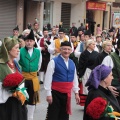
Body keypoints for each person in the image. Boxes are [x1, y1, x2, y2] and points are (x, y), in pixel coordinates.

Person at [44, 41, 80, 120]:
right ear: (60, 50)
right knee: (53, 115)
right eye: (64, 49)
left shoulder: (72, 63)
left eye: (68, 49)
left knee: (64, 116)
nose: (66, 51)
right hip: (55, 93)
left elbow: (74, 78)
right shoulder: (53, 61)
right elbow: (48, 78)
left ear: (71, 51)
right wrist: (48, 94)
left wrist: (76, 93)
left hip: (67, 93)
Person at [0, 37, 28, 120]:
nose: (18, 50)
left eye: (19, 48)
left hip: (18, 104)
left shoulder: (17, 65)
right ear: (8, 49)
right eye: (16, 48)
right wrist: (12, 93)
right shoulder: (1, 66)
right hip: (6, 106)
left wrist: (22, 94)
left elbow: (21, 83)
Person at [17, 29, 42, 120]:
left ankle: (30, 117)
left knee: (32, 98)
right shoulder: (20, 51)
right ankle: (22, 116)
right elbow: (17, 64)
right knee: (22, 98)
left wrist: (33, 72)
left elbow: (39, 65)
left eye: (31, 41)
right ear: (25, 42)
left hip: (33, 78)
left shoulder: (38, 52)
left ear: (34, 42)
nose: (29, 43)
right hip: (23, 78)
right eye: (27, 41)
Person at [78, 39, 99, 106]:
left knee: (94, 86)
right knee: (86, 87)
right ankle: (86, 102)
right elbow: (81, 64)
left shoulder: (96, 53)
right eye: (93, 44)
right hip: (86, 71)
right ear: (88, 45)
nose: (94, 45)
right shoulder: (83, 54)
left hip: (94, 71)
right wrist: (80, 73)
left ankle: (92, 101)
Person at [102, 39, 120, 104]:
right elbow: (102, 74)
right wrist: (107, 86)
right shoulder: (109, 58)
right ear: (118, 47)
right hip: (114, 89)